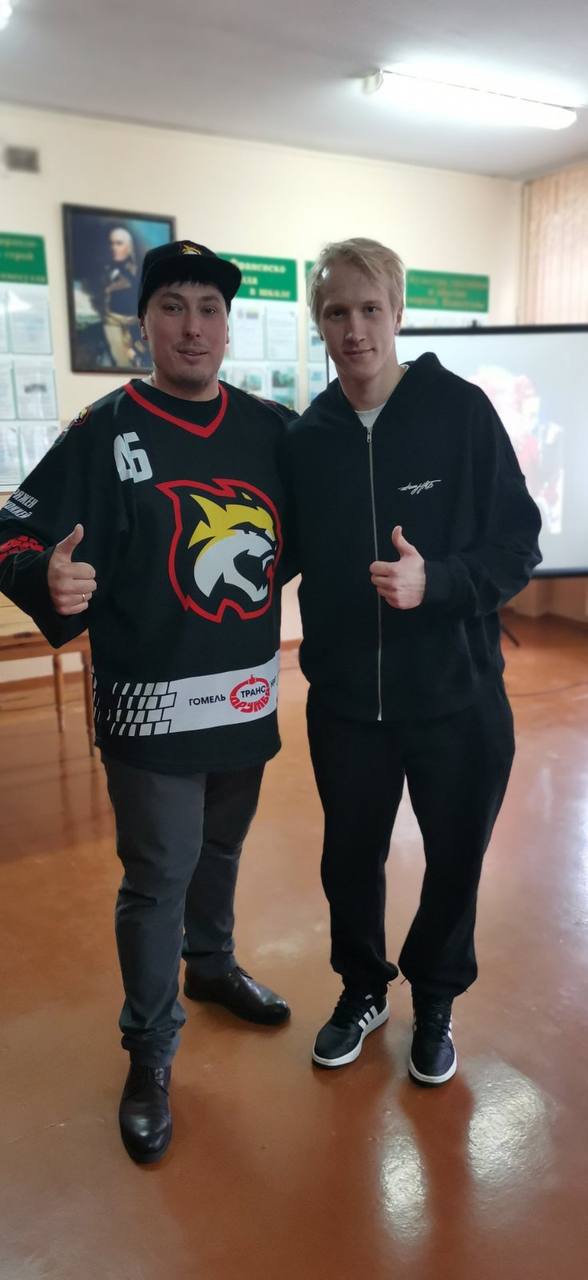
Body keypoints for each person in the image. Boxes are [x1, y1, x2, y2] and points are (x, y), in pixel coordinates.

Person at [0, 240, 294, 1164]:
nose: (193, 327)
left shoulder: (272, 430)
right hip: (149, 709)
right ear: (144, 326)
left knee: (221, 849)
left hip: (243, 696)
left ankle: (211, 967)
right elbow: (11, 530)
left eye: (210, 309)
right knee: (158, 873)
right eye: (173, 307)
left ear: (228, 325)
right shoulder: (104, 430)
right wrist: (46, 577)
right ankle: (151, 1048)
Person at [284, 237, 542, 1086]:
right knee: (349, 863)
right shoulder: (308, 438)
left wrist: (439, 583)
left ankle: (435, 997)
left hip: (457, 697)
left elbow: (518, 544)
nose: (354, 330)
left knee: (455, 860)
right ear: (320, 323)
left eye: (370, 309)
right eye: (336, 312)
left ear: (397, 312)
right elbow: (267, 552)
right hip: (348, 704)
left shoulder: (460, 412)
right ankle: (363, 988)